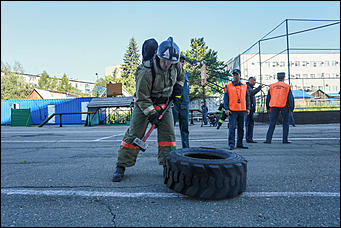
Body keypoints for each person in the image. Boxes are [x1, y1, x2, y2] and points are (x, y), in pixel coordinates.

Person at [112, 37, 185, 182]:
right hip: (144, 104)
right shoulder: (146, 70)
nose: (167, 65)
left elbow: (181, 77)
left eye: (170, 62)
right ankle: (121, 165)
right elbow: (142, 96)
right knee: (134, 133)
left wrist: (178, 88)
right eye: (164, 61)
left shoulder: (176, 65)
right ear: (158, 57)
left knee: (168, 136)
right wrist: (152, 115)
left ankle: (167, 166)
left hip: (165, 104)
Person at [223, 69, 250, 150]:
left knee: (241, 128)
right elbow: (226, 98)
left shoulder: (245, 86)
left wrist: (248, 108)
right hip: (232, 110)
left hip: (242, 110)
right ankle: (231, 144)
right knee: (232, 128)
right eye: (234, 75)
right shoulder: (228, 86)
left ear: (240, 75)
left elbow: (247, 97)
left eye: (236, 75)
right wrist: (226, 108)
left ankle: (240, 143)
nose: (235, 76)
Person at [264, 72, 294, 144]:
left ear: (277, 78)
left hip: (273, 105)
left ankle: (268, 140)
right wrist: (292, 108)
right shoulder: (287, 86)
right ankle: (285, 140)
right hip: (284, 106)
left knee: (272, 123)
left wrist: (267, 107)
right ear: (284, 77)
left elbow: (268, 97)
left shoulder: (272, 86)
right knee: (285, 123)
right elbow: (290, 98)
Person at [172, 55, 190, 148]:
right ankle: (171, 148)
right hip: (174, 103)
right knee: (171, 128)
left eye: (183, 61)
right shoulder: (172, 72)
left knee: (185, 128)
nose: (181, 63)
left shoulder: (186, 74)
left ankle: (186, 148)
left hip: (184, 103)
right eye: (180, 61)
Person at [245, 76, 262, 143]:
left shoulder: (249, 87)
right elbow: (252, 93)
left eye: (255, 80)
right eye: (253, 81)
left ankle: (250, 138)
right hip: (249, 109)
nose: (254, 82)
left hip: (251, 108)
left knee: (250, 123)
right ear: (249, 81)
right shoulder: (247, 87)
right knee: (249, 124)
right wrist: (259, 88)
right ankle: (249, 138)